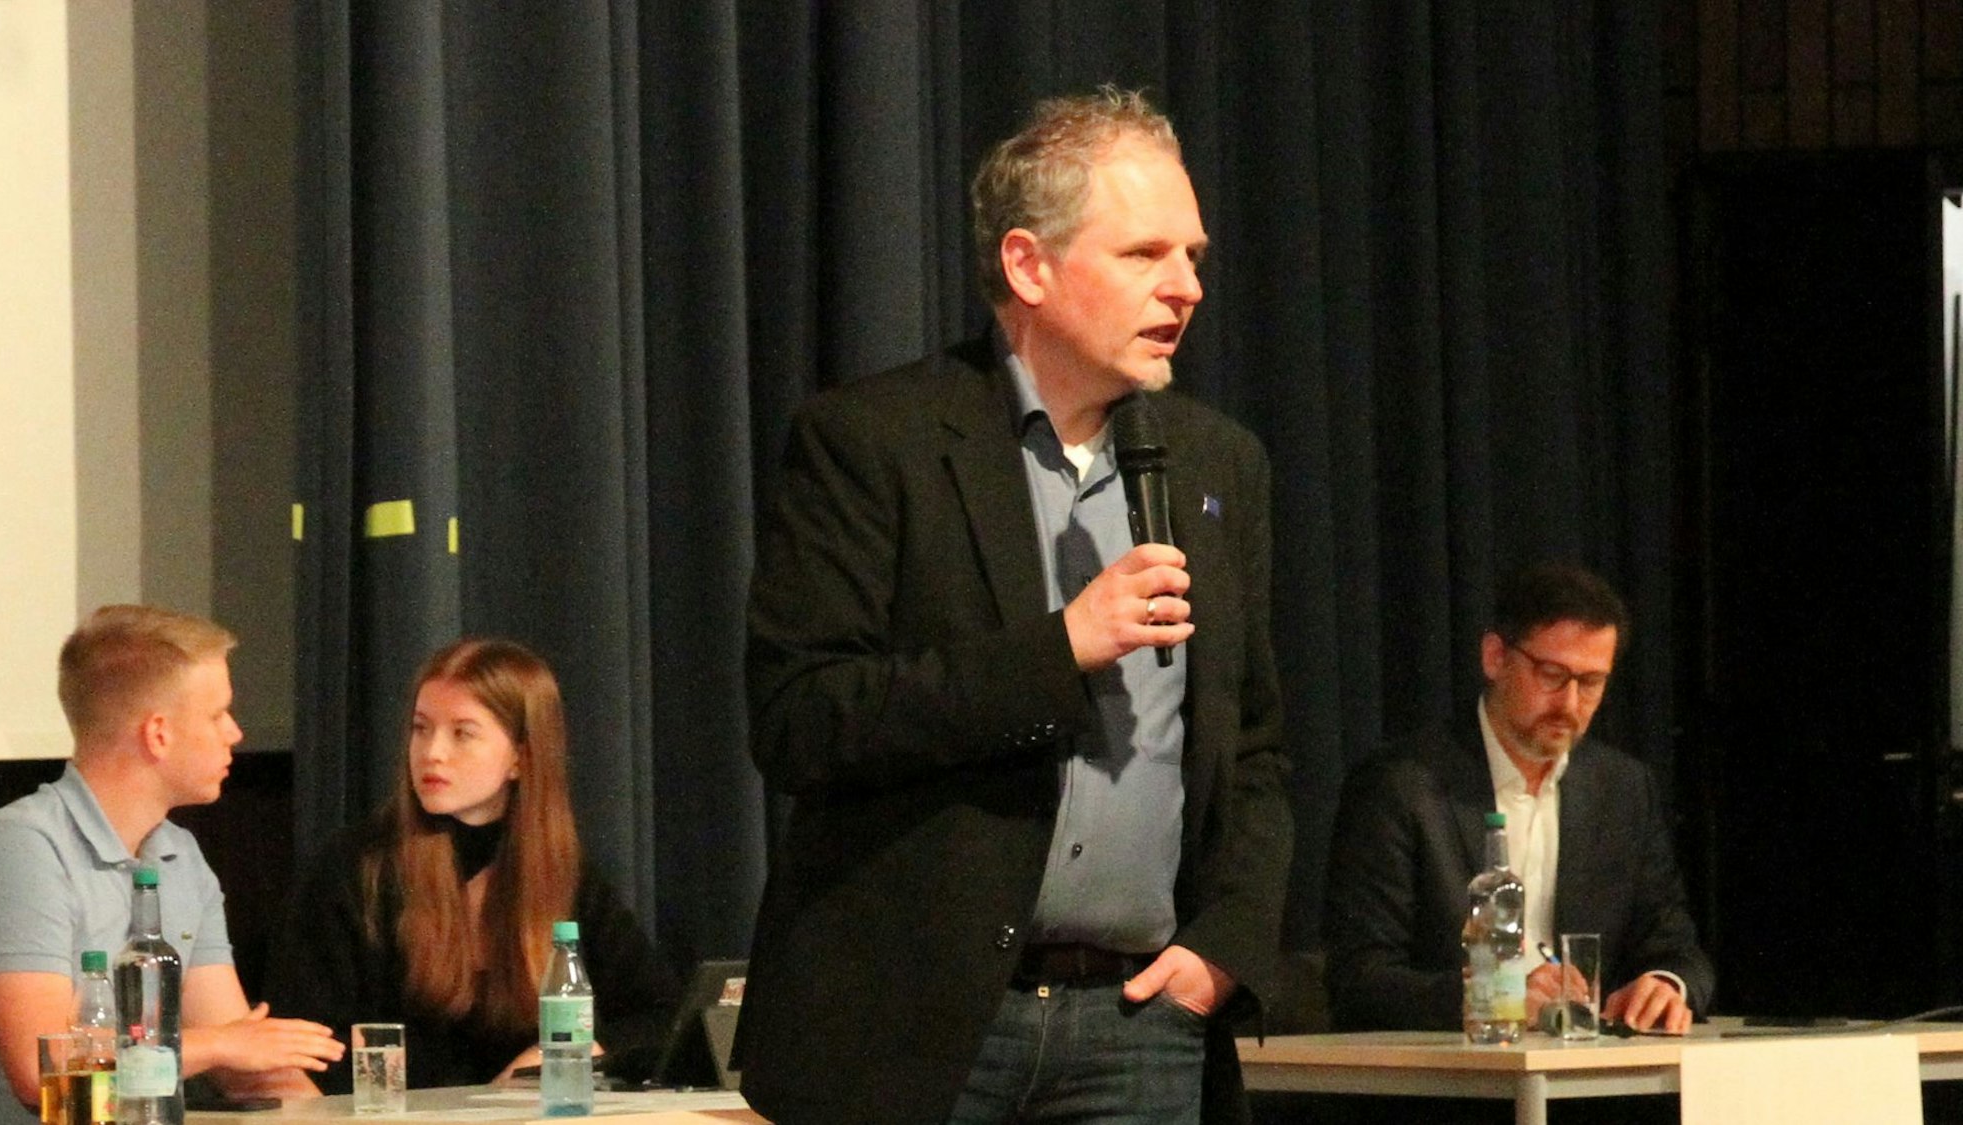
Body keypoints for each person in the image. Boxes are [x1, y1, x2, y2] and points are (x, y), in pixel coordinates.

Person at [734, 87, 1291, 1125]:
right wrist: (1059, 649)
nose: (1185, 288)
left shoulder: (1218, 463)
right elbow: (801, 718)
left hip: (1139, 1029)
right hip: (924, 1029)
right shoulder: (875, 442)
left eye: (1193, 257)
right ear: (1027, 266)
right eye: (1142, 255)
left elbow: (1250, 750)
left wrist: (1223, 951)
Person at [0, 605, 343, 1125]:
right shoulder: (19, 845)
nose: (235, 733)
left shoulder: (180, 856)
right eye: (218, 715)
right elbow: (43, 1069)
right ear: (158, 734)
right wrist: (219, 1046)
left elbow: (245, 1058)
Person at [264, 639, 675, 1091]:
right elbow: (305, 1043)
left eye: (462, 733)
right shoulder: (353, 871)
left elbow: (658, 1015)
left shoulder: (563, 872)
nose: (432, 752)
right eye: (421, 729)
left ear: (521, 756)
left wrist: (554, 1056)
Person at [1324, 561, 1713, 1036]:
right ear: (1495, 657)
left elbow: (1677, 948)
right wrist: (1495, 999)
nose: (1570, 705)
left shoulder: (1624, 790)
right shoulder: (1402, 786)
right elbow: (1358, 982)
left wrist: (1665, 984)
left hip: (1588, 1081)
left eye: (1591, 683)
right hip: (1454, 1084)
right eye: (1552, 675)